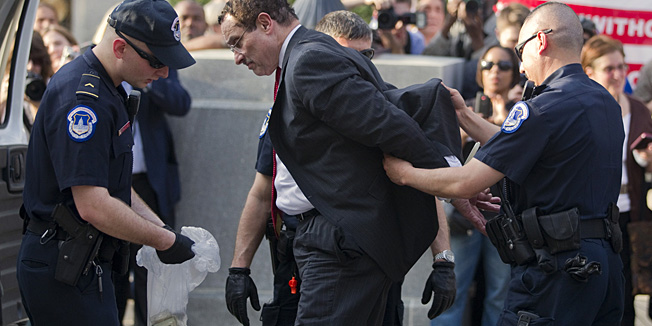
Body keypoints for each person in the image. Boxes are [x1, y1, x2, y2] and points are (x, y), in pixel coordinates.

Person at [217, 0, 480, 323]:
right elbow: (264, 189)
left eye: (237, 42)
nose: (237, 57)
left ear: (265, 23)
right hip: (330, 241)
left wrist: (454, 186)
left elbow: (389, 125)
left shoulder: (308, 60)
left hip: (339, 245)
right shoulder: (307, 56)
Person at [384, 2, 625, 325]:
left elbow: (466, 182)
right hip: (603, 268)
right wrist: (465, 116)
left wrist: (404, 174)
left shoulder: (543, 108)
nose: (521, 66)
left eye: (520, 51)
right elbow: (527, 145)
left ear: (540, 42)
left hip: (557, 273)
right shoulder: (603, 101)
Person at [16, 0, 196, 324]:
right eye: (157, 60)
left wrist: (161, 230)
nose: (165, 72)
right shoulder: (84, 100)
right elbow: (94, 205)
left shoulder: (108, 90)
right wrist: (163, 241)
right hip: (63, 266)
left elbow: (115, 186)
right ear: (119, 47)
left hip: (82, 262)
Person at [432, 45, 518, 326]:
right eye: (488, 65)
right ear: (479, 71)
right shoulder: (462, 110)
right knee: (450, 296)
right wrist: (466, 129)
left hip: (505, 219)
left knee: (500, 296)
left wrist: (506, 118)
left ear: (515, 72)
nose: (495, 71)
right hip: (462, 217)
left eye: (504, 66)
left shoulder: (524, 112)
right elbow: (442, 160)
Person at [113, 57, 192, 326]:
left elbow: (181, 103)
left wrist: (146, 79)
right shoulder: (97, 73)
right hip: (108, 185)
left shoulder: (157, 69)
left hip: (150, 182)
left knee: (154, 269)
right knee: (114, 270)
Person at [582, 34, 652, 326]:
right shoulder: (583, 109)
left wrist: (647, 160)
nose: (618, 74)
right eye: (609, 68)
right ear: (590, 72)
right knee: (592, 293)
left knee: (625, 294)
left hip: (630, 213)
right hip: (591, 216)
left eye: (622, 67)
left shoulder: (638, 109)